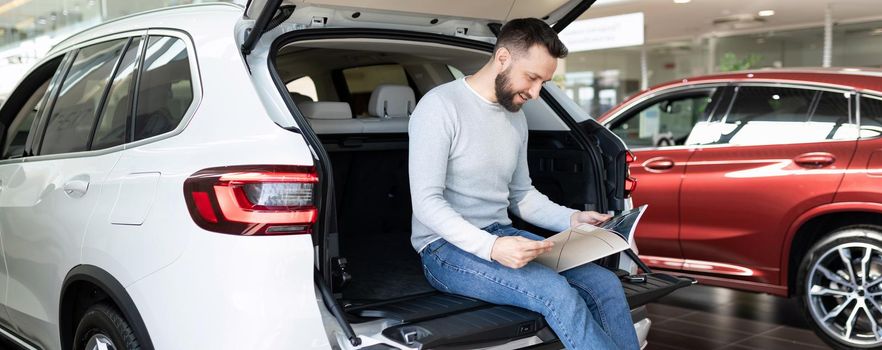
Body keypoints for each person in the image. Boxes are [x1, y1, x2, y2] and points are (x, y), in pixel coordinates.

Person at [408, 18, 640, 350]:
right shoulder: (439, 107)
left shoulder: (515, 117)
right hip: (443, 249)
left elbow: (522, 196)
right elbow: (427, 204)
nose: (535, 93)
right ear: (503, 58)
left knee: (604, 284)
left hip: (502, 233)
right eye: (532, 78)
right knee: (555, 292)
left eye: (543, 82)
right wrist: (491, 248)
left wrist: (573, 219)